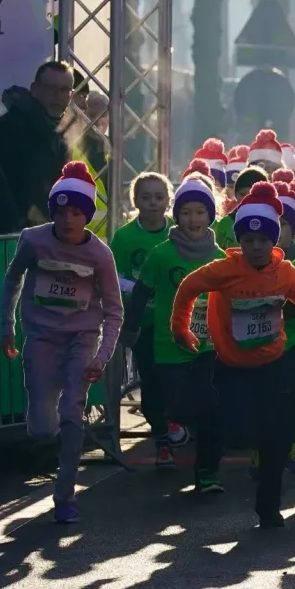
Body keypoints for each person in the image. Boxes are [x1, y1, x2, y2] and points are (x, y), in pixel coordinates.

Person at [169, 183, 295, 528]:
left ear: (274, 242)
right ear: (239, 242)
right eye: (248, 241)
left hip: (272, 365)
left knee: (275, 438)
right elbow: (187, 289)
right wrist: (180, 329)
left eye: (262, 240)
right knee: (239, 436)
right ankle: (200, 428)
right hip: (231, 367)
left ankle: (269, 508)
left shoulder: (286, 272)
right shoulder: (223, 270)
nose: (256, 247)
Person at [0, 162, 124, 523]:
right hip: (40, 336)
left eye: (76, 212)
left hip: (82, 339)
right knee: (41, 426)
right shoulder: (33, 240)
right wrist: (8, 327)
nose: (68, 220)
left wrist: (102, 355)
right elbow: (12, 280)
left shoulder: (100, 255)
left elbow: (115, 311)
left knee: (72, 414)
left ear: (87, 216)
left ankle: (65, 496)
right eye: (60, 211)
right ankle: (55, 434)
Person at [125, 176, 225, 489]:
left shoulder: (220, 258)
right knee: (179, 406)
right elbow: (141, 292)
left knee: (211, 410)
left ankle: (207, 473)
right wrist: (130, 329)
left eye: (200, 212)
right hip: (170, 346)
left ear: (211, 215)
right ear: (176, 215)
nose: (193, 219)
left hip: (209, 347)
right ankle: (172, 426)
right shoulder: (161, 254)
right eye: (186, 213)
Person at [110, 172, 174, 462]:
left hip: (176, 323)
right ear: (135, 200)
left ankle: (176, 425)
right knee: (150, 378)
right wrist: (139, 290)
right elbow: (114, 276)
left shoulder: (178, 232)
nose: (153, 203)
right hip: (144, 324)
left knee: (174, 379)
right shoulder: (124, 237)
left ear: (168, 200)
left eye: (159, 197)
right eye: (146, 197)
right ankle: (161, 435)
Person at [0, 60, 72, 232]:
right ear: (34, 89)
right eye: (50, 88)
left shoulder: (60, 134)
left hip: (44, 234)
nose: (57, 95)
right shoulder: (7, 129)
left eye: (64, 90)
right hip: (9, 238)